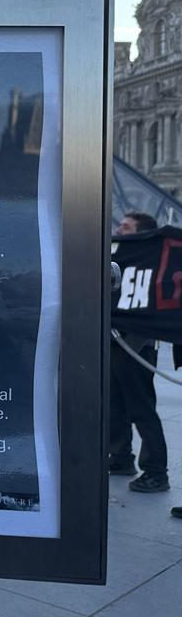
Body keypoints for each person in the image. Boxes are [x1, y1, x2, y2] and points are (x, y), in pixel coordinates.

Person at [110, 211, 169, 493]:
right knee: (114, 405)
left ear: (142, 234)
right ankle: (121, 457)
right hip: (115, 341)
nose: (119, 230)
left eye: (125, 227)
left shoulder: (152, 264)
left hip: (137, 347)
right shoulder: (117, 258)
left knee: (141, 409)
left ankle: (156, 471)